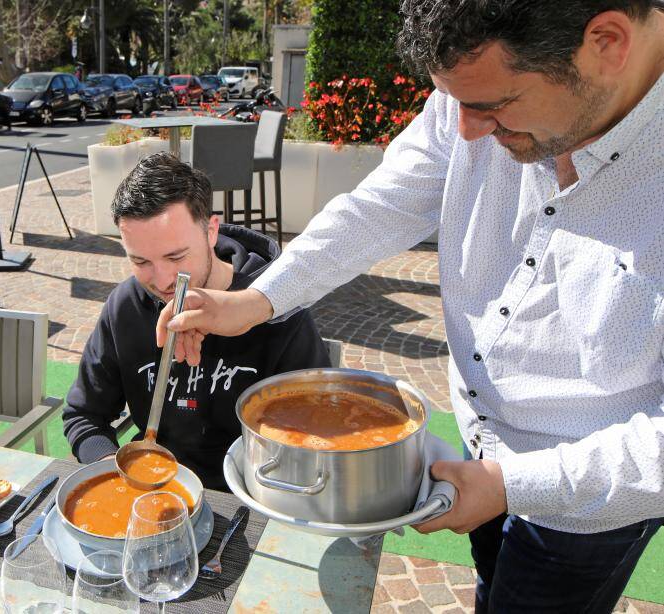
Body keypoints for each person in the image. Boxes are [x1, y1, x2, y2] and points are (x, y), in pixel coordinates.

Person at [157, 2, 664, 611]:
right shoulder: (478, 92)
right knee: (490, 583)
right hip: (480, 445)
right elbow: (380, 206)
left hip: (591, 495)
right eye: (454, 105)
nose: (468, 131)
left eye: (492, 106)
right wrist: (258, 299)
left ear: (606, 42)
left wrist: (514, 484)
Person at [62, 152, 330, 490]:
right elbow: (84, 416)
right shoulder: (126, 306)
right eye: (140, 260)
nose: (161, 281)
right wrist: (115, 475)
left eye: (175, 257)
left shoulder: (277, 308)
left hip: (257, 492)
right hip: (153, 490)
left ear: (212, 230)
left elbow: (319, 427)